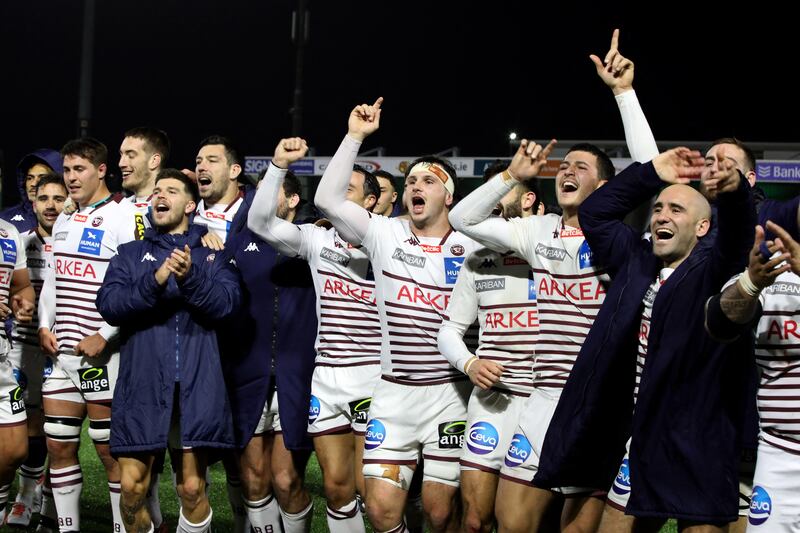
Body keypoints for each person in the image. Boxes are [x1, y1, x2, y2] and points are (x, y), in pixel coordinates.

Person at [534, 147, 755, 531]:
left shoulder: (711, 268)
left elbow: (737, 236)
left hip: (695, 440)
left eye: (676, 210)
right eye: (657, 209)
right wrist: (652, 172)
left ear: (702, 228)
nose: (662, 216)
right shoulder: (637, 260)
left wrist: (735, 193)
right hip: (639, 435)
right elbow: (595, 212)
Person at [315, 97, 481, 533]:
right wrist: (355, 137)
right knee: (381, 509)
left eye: (428, 180)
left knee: (441, 512)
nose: (415, 187)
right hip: (392, 394)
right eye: (411, 182)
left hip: (451, 395)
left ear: (449, 195)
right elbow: (327, 199)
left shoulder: (473, 247)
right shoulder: (384, 234)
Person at [449, 138, 613, 532]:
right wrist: (512, 176)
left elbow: (649, 170)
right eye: (565, 166)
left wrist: (624, 94)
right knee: (511, 523)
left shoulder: (618, 236)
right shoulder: (538, 231)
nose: (568, 171)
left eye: (581, 167)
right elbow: (462, 220)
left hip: (591, 405)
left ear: (605, 188)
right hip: (539, 400)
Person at [248, 137, 382, 532]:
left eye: (349, 190)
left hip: (374, 376)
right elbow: (260, 223)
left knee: (371, 492)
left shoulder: (390, 238)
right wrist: (276, 166)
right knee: (337, 488)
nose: (337, 195)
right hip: (326, 378)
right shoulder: (317, 238)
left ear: (370, 203)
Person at [96, 168, 240, 533]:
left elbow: (226, 305)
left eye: (171, 191)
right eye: (157, 190)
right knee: (131, 489)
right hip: (143, 382)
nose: (160, 195)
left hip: (197, 383)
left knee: (191, 488)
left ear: (190, 205)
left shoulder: (213, 254)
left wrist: (190, 277)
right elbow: (109, 304)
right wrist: (158, 278)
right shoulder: (130, 255)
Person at [37, 138, 144, 533]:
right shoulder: (64, 217)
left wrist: (105, 333)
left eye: (79, 169)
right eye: (67, 170)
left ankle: (121, 527)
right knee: (58, 446)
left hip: (102, 355)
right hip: (61, 354)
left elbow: (140, 285)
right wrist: (45, 323)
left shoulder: (125, 215)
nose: (71, 178)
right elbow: (54, 277)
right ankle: (68, 528)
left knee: (109, 452)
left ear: (101, 170)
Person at [437, 167, 541, 532]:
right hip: (493, 404)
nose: (488, 200)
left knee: (525, 523)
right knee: (476, 520)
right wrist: (469, 363)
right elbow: (449, 329)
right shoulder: (477, 259)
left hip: (544, 405)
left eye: (503, 189)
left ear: (528, 199)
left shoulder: (557, 248)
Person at [221, 165, 319, 533]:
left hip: (298, 375)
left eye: (271, 190)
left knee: (285, 480)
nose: (259, 198)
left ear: (293, 200)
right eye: (257, 190)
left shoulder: (313, 240)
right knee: (255, 479)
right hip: (248, 371)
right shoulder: (239, 239)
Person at [4, 174, 66, 529]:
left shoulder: (75, 240)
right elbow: (18, 289)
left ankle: (51, 501)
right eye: (44, 198)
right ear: (34, 203)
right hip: (25, 349)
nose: (51, 205)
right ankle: (26, 496)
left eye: (59, 198)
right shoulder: (21, 243)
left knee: (61, 433)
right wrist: (18, 305)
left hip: (66, 349)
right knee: (30, 427)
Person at [0, 216, 37, 523]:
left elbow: (22, 285)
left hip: (2, 358)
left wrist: (21, 303)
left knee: (14, 449)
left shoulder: (9, 232)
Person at [1, 149, 63, 232]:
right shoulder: (5, 219)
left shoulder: (74, 217)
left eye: (42, 177)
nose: (33, 184)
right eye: (30, 178)